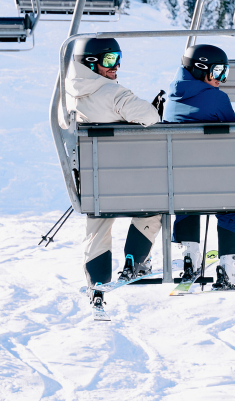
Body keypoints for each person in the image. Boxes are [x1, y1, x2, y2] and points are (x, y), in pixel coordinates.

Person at [65, 37, 165, 312]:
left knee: (98, 225)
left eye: (118, 58)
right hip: (128, 180)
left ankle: (96, 284)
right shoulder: (111, 92)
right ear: (91, 62)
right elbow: (149, 116)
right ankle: (136, 260)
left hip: (94, 182)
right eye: (109, 60)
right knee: (151, 209)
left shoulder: (67, 94)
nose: (117, 65)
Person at [163, 43, 235, 289]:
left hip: (179, 183)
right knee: (233, 205)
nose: (221, 79)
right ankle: (230, 267)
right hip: (217, 181)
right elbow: (233, 133)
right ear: (201, 69)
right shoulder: (217, 98)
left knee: (186, 199)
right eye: (218, 71)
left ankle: (190, 256)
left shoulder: (172, 97)